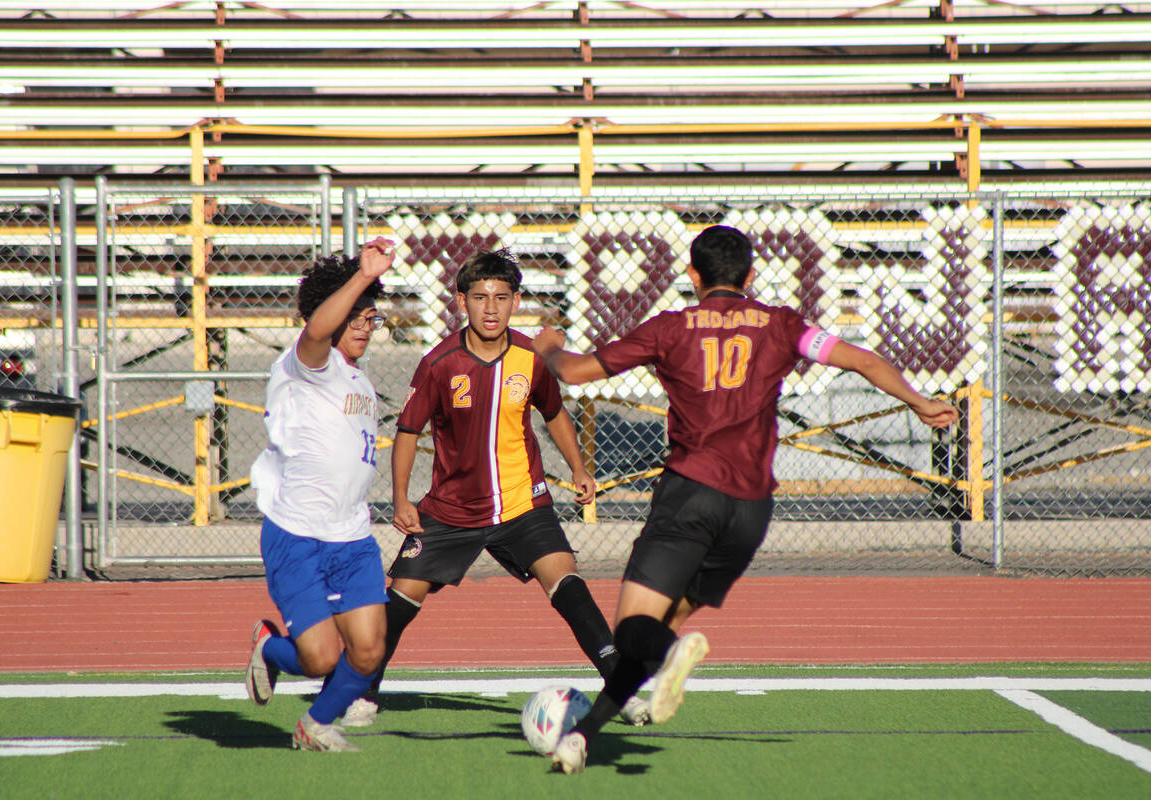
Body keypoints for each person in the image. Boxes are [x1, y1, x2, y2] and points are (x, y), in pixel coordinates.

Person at [533, 224, 959, 773]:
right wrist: (920, 402)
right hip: (751, 510)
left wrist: (548, 347)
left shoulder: (672, 327)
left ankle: (666, 656)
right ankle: (583, 739)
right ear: (751, 277)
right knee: (660, 630)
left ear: (691, 275)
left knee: (634, 630)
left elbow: (576, 371)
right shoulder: (781, 325)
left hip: (690, 492)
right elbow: (862, 360)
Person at [365, 248, 647, 726]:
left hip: (523, 503)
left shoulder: (531, 357)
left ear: (516, 301)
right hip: (452, 508)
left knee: (567, 581)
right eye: (479, 297)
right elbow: (408, 433)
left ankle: (620, 683)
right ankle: (362, 692)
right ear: (461, 302)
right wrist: (400, 498)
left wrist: (578, 467)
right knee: (401, 599)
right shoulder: (439, 363)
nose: (490, 308)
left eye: (501, 297)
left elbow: (554, 412)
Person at [244, 238, 396, 752]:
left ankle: (315, 726)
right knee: (321, 659)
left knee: (370, 651)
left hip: (352, 537)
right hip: (298, 536)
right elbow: (316, 332)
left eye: (370, 316)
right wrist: (362, 275)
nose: (363, 325)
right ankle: (270, 649)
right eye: (353, 315)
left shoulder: (361, 381)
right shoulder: (306, 362)